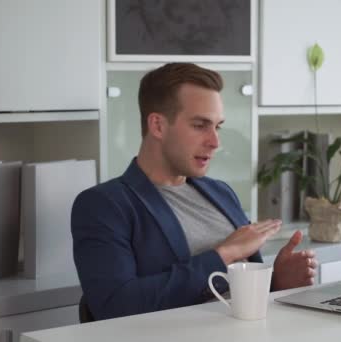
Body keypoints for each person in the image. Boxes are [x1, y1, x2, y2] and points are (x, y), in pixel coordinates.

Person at [72, 63, 318, 321]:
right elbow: (115, 306)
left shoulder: (221, 192)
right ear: (157, 125)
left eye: (217, 126)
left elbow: (242, 293)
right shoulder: (103, 205)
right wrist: (224, 254)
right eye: (200, 125)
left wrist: (276, 282)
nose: (215, 142)